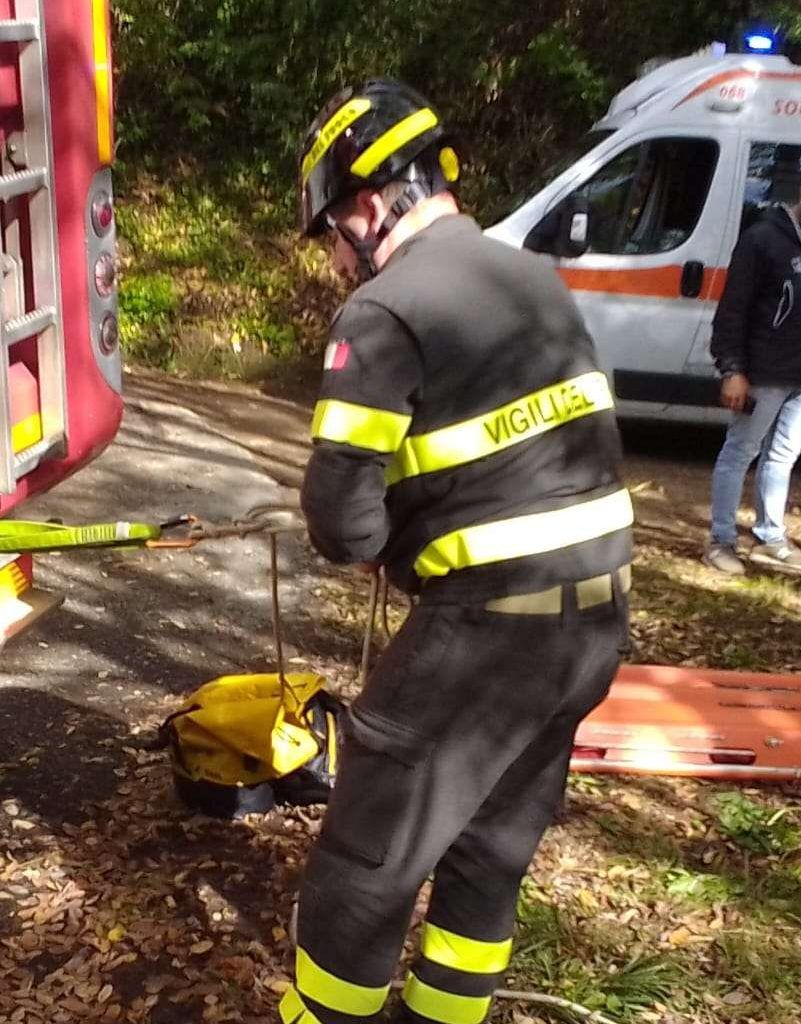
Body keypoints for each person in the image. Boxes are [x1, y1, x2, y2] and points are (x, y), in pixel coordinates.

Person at [281, 78, 635, 1024]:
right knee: (490, 846)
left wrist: (377, 542)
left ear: (366, 206)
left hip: (488, 632)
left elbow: (339, 515)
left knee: (367, 860)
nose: (335, 259)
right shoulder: (532, 278)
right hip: (593, 622)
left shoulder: (387, 309)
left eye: (330, 234)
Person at [703, 150, 801, 575]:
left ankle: (770, 537)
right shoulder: (763, 238)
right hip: (764, 372)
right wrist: (732, 370)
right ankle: (721, 541)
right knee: (740, 452)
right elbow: (733, 310)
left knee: (783, 456)